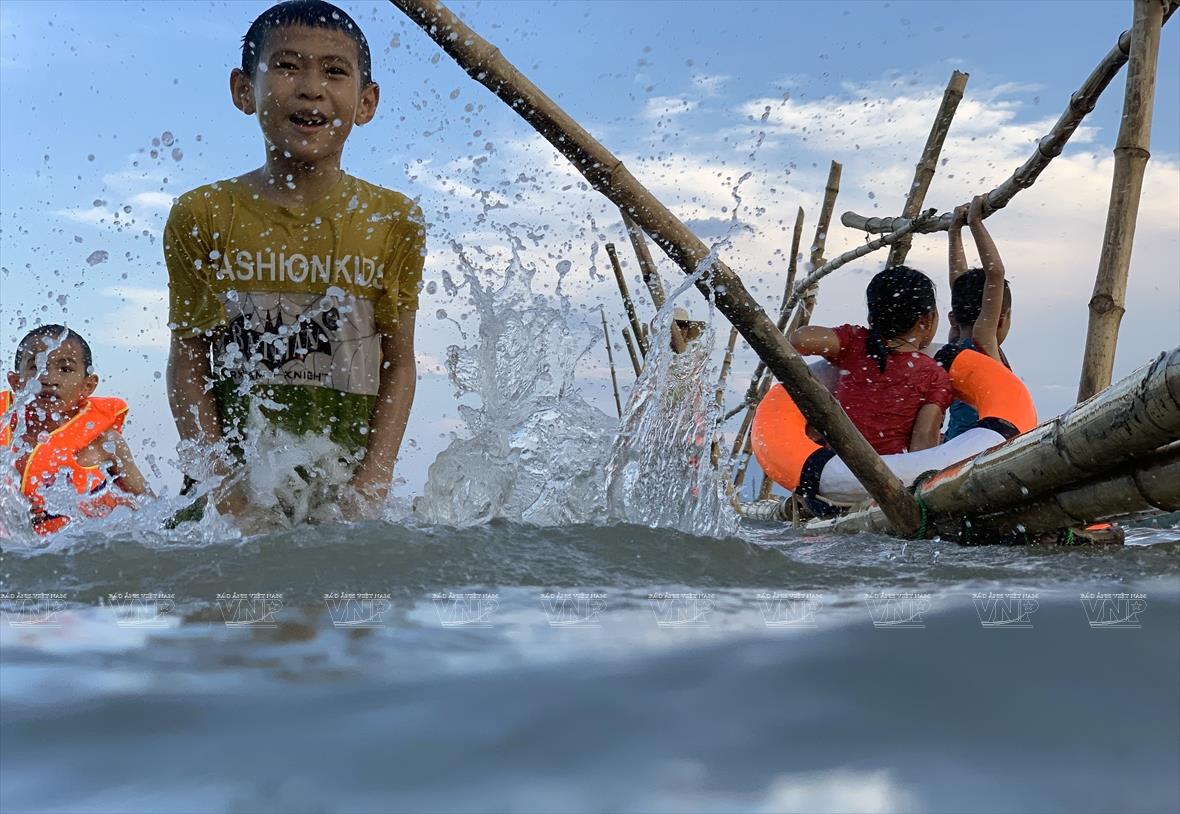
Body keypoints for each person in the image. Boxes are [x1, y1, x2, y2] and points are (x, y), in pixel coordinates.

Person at [164, 0, 425, 521]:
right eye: (287, 65)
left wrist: (371, 486)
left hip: (341, 489)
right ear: (244, 90)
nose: (311, 87)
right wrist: (227, 492)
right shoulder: (204, 214)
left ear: (366, 102)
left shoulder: (393, 220)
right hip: (233, 497)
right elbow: (188, 361)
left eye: (334, 71)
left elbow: (399, 363)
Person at [2, 326, 149, 535]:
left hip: (83, 552)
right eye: (35, 366)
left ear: (87, 386)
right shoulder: (5, 433)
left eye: (65, 369)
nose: (48, 379)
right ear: (16, 382)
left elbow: (149, 506)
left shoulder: (105, 443)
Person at [790, 266, 951, 455]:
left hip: (835, 467)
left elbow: (800, 340)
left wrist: (854, 334)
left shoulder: (855, 344)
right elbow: (923, 445)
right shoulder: (934, 375)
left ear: (871, 318)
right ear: (926, 320)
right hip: (888, 474)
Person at [945, 193, 1013, 440]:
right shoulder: (983, 342)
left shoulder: (954, 343)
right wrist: (975, 223)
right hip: (978, 449)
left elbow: (958, 284)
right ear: (1001, 319)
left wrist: (954, 232)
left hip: (954, 442)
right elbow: (995, 274)